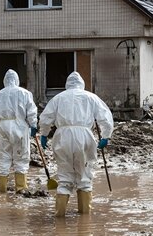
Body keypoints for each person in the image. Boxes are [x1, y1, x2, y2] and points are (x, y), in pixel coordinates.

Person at [39, 71, 114, 217]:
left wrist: (44, 133)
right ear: (82, 84)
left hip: (62, 137)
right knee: (85, 176)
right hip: (84, 136)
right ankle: (84, 218)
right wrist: (106, 136)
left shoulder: (58, 98)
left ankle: (59, 216)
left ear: (67, 84)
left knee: (65, 176)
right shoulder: (91, 97)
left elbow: (46, 118)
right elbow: (106, 118)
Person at [0, 69, 38, 194]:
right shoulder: (25, 93)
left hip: (3, 128)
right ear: (17, 80)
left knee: (3, 158)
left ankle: (2, 190)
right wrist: (34, 125)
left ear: (5, 81)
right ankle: (20, 189)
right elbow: (31, 111)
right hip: (20, 127)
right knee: (21, 158)